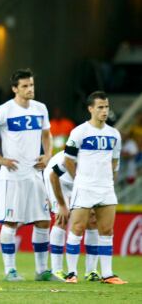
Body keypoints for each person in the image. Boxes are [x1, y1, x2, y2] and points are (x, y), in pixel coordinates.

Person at [0, 69, 53, 281]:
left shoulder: (40, 109)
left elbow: (47, 134)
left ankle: (41, 271)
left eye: (31, 85)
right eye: (24, 86)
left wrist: (48, 155)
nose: (29, 89)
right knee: (11, 223)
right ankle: (10, 271)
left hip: (35, 175)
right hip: (12, 175)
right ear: (15, 88)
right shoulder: (5, 110)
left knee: (43, 221)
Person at [63, 91, 126, 284]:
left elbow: (115, 162)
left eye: (106, 107)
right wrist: (80, 179)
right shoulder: (79, 132)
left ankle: (107, 274)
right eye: (100, 107)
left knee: (106, 231)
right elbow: (68, 160)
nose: (104, 111)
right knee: (77, 228)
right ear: (91, 109)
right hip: (85, 187)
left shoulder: (114, 134)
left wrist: (110, 180)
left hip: (105, 188)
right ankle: (72, 273)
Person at [44, 151, 100, 282]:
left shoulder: (99, 162)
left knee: (92, 219)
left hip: (79, 183)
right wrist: (62, 206)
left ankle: (91, 271)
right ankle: (56, 270)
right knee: (61, 218)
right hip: (57, 179)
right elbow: (53, 176)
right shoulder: (71, 158)